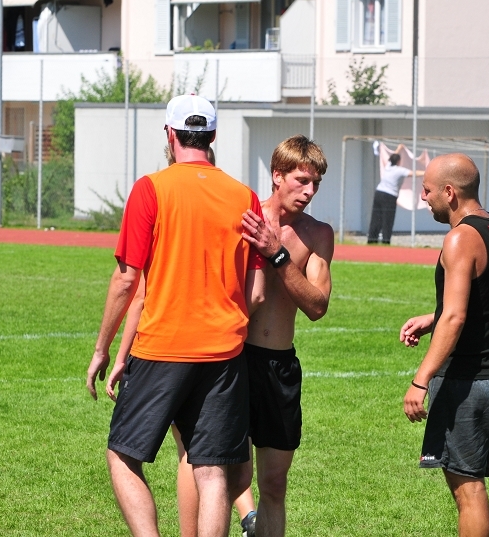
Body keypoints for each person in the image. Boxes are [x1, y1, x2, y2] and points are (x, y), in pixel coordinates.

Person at [86, 94, 266, 537]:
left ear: (170, 134)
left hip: (162, 347)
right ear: (213, 136)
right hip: (224, 353)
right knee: (212, 471)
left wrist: (103, 349)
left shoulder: (151, 188)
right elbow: (257, 292)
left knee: (122, 454)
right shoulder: (245, 197)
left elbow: (127, 281)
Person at [399, 153, 489, 537]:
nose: (423, 197)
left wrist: (420, 380)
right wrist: (432, 318)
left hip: (467, 381)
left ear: (449, 192)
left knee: (468, 490)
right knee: (469, 484)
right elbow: (481, 301)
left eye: (427, 190)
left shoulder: (460, 238)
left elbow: (456, 318)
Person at [239, 135, 334, 537]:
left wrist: (277, 254)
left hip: (279, 367)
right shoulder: (245, 218)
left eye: (316, 184)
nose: (310, 192)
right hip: (234, 360)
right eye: (302, 181)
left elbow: (317, 305)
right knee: (225, 474)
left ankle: (254, 520)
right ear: (277, 175)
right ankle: (246, 517)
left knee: (275, 483)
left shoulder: (318, 234)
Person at [367, 148, 422, 244]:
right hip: (389, 196)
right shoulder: (399, 170)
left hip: (379, 193)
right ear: (398, 161)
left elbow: (391, 157)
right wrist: (428, 172)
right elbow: (414, 173)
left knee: (376, 218)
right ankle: (386, 240)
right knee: (387, 219)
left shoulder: (388, 166)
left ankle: (372, 240)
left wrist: (399, 148)